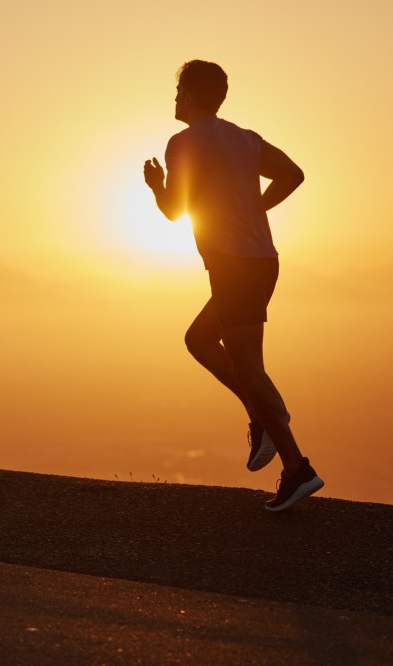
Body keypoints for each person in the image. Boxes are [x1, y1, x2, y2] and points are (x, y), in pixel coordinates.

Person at [142, 61, 323, 511]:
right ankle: (260, 416)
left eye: (180, 88)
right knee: (200, 339)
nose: (176, 96)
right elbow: (293, 174)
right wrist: (252, 209)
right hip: (263, 262)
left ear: (195, 94)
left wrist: (155, 185)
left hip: (232, 266)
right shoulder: (244, 138)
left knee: (247, 369)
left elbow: (175, 211)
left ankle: (297, 468)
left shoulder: (182, 143)